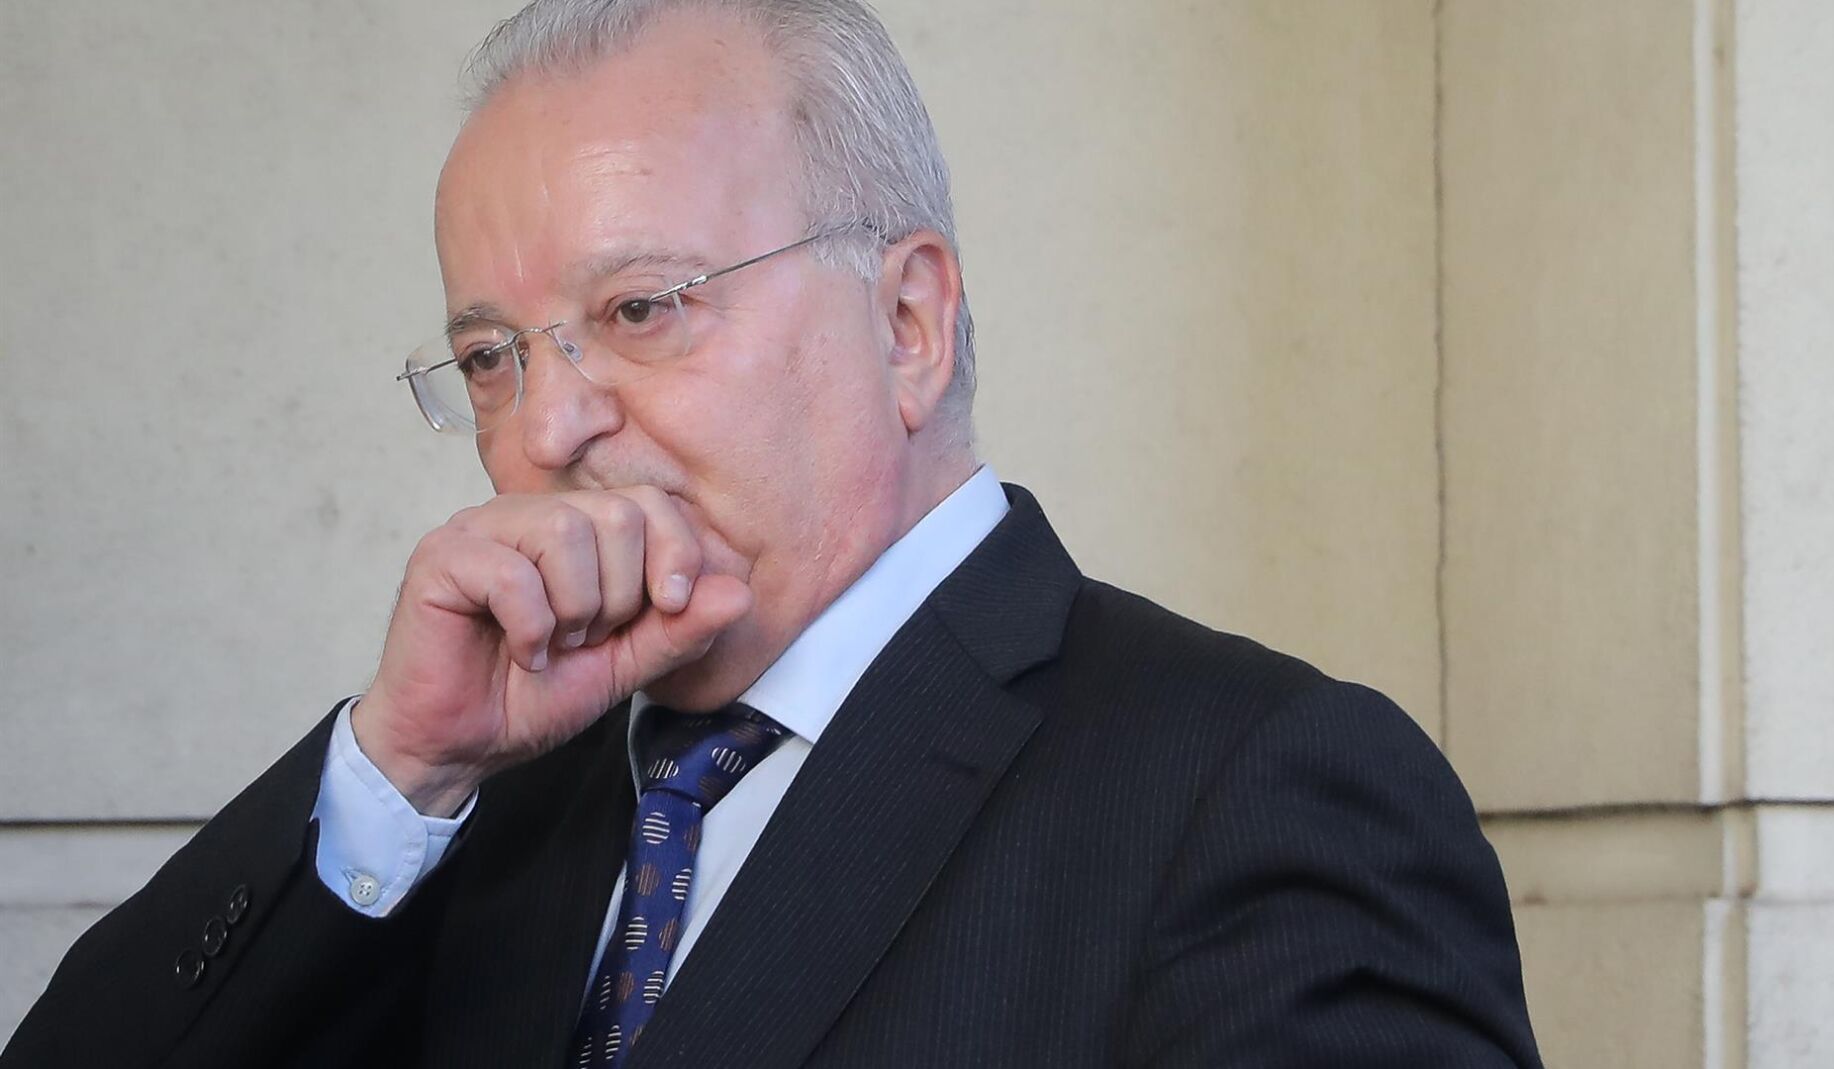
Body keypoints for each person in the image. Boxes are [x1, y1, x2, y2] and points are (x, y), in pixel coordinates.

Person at [3, 1, 1543, 1066]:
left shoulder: (1253, 790)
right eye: (489, 357)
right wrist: (395, 768)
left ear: (909, 320)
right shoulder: (474, 808)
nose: (545, 429)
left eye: (640, 309)